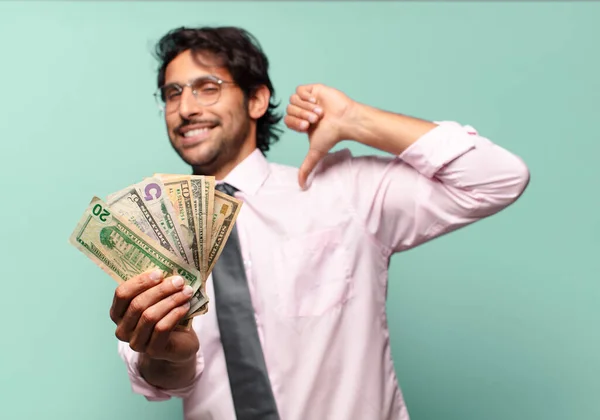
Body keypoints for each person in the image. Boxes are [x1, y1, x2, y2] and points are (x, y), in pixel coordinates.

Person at [110, 26, 530, 420]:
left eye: (208, 88)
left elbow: (495, 179)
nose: (185, 108)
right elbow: (164, 381)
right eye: (173, 93)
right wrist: (172, 355)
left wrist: (356, 119)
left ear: (256, 100)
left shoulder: (343, 191)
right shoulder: (158, 234)